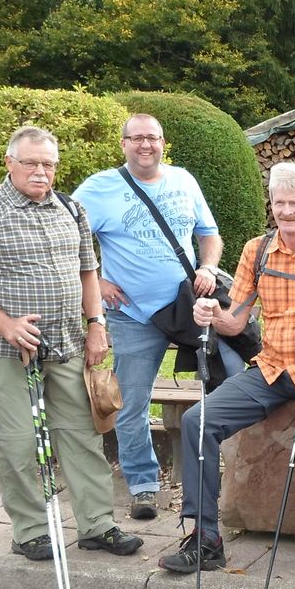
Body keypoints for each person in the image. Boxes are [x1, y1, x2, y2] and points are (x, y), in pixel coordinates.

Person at [159, 163, 295, 574]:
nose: (286, 211)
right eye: (279, 202)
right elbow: (234, 321)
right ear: (270, 204)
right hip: (271, 367)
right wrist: (208, 313)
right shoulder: (256, 250)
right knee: (197, 422)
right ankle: (206, 538)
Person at [0, 126, 143, 563]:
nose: (41, 172)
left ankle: (97, 525)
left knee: (83, 438)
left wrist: (96, 325)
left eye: (48, 164)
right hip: (7, 351)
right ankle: (31, 531)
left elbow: (87, 272)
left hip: (68, 344)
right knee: (16, 442)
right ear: (9, 162)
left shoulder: (71, 209)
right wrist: (6, 325)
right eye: (31, 162)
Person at [73, 113, 237, 521]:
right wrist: (96, 284)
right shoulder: (98, 188)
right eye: (136, 138)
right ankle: (143, 486)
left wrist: (208, 268)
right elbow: (66, 238)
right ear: (123, 143)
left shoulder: (183, 179)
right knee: (131, 403)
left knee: (232, 382)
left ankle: (231, 476)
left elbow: (209, 234)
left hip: (190, 308)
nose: (145, 145)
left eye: (153, 138)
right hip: (133, 315)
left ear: (163, 143)